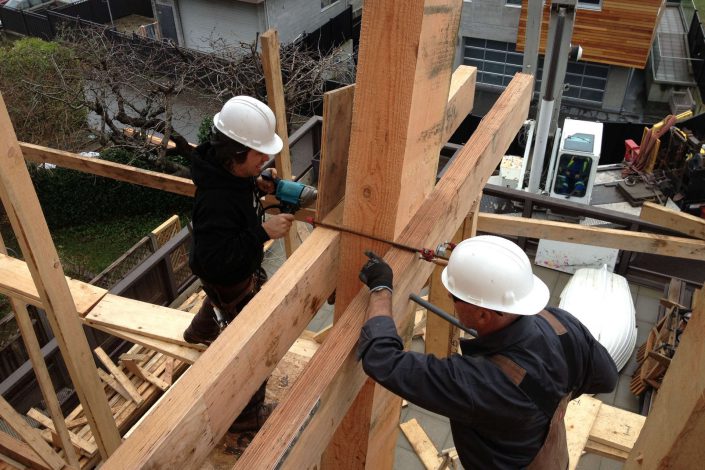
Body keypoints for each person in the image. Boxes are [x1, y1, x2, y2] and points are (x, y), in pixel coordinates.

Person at [357, 236, 618, 469]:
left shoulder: (480, 383)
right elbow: (607, 378)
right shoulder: (561, 323)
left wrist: (381, 288)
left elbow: (382, 359)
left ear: (483, 314)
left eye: (454, 297)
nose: (448, 296)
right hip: (552, 457)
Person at [183, 96, 294, 431]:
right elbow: (220, 259)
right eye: (259, 154)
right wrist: (262, 232)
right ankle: (246, 417)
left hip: (216, 270)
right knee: (256, 347)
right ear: (234, 155)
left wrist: (255, 182)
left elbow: (236, 190)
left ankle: (200, 331)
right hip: (225, 272)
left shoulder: (225, 172)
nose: (266, 158)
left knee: (217, 298)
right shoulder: (216, 201)